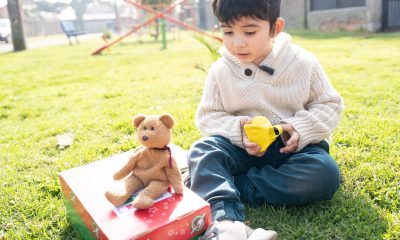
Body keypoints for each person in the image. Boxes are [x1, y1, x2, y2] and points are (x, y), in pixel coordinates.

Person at [186, 0, 345, 239]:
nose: (237, 42)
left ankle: (232, 185)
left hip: (292, 150)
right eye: (227, 31)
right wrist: (238, 131)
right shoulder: (220, 70)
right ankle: (226, 221)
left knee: (324, 173)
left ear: (275, 28)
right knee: (203, 150)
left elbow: (329, 104)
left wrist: (298, 128)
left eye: (249, 32)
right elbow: (208, 116)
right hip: (241, 149)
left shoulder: (302, 62)